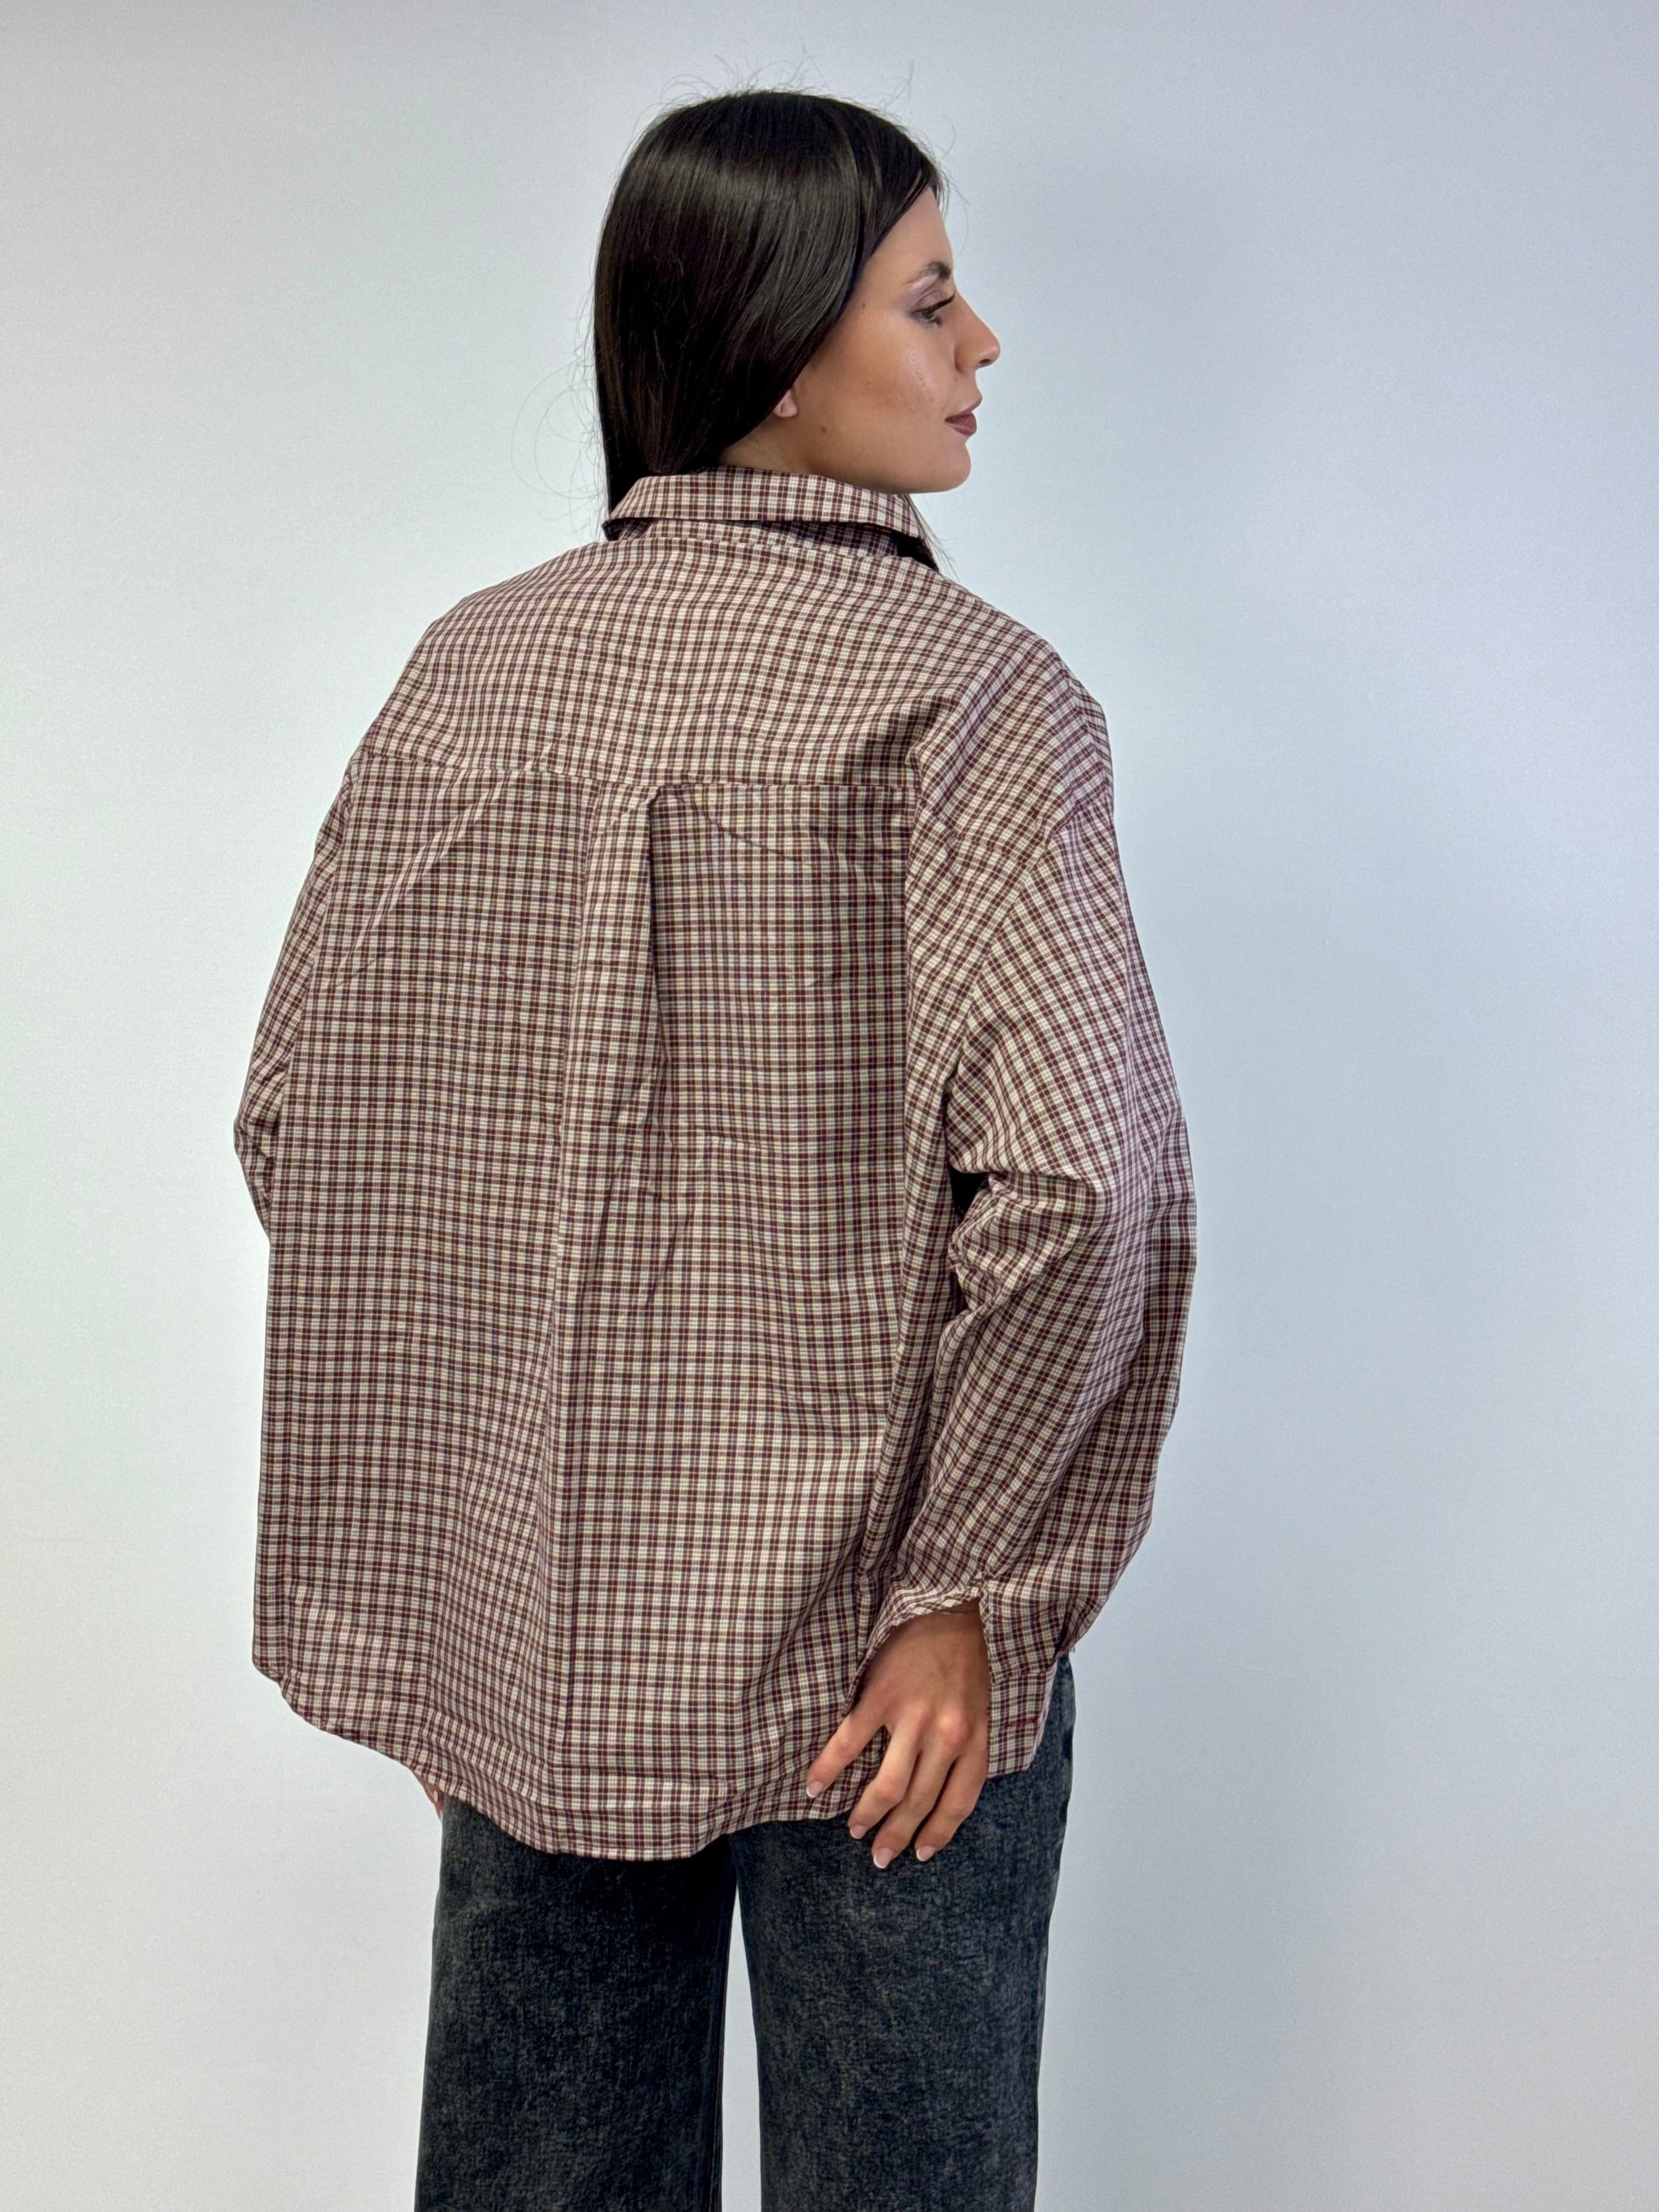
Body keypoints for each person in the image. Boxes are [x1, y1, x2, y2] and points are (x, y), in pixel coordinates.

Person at [234, 85, 1196, 2212]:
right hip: (883, 1650)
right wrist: (968, 1590)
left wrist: (469, 1546)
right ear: (773, 346)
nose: (982, 345)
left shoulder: (472, 674)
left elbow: (304, 1114)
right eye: (929, 299)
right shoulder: (976, 699)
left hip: (536, 1621)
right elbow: (1078, 1186)